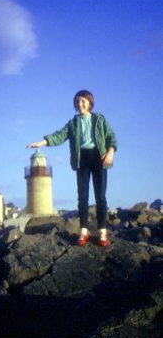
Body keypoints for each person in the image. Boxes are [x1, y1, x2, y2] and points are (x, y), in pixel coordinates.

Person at [26, 90, 117, 247]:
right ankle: (84, 231)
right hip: (82, 160)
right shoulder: (73, 123)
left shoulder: (100, 119)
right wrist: (42, 143)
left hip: (99, 158)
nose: (80, 104)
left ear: (90, 102)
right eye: (77, 102)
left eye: (83, 101)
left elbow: (111, 137)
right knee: (82, 197)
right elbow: (59, 135)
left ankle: (102, 232)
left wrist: (110, 153)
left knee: (100, 197)